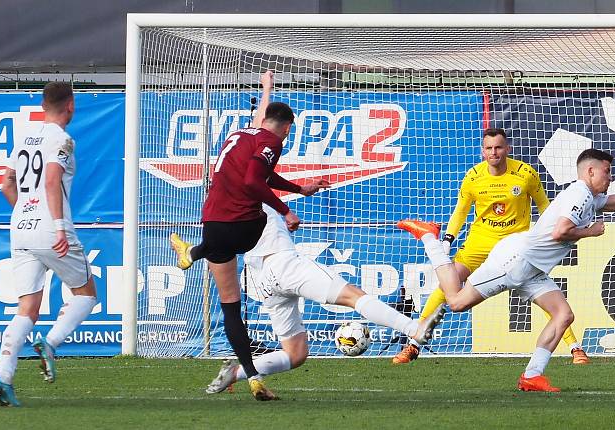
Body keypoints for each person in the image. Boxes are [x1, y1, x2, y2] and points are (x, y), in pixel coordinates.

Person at [399, 137, 615, 391]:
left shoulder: (590, 198)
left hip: (533, 268)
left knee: (563, 315)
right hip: (515, 262)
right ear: (590, 172)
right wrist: (589, 232)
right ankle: (428, 237)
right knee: (456, 302)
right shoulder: (579, 194)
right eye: (607, 171)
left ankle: (532, 375)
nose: (610, 177)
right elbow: (561, 231)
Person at [170, 71, 329, 401]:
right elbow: (255, 182)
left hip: (212, 223)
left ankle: (253, 377)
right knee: (261, 215)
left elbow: (263, 159)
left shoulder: (242, 134)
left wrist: (300, 188)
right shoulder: (271, 141)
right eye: (289, 131)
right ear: (287, 128)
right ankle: (196, 253)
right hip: (241, 229)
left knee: (230, 309)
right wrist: (286, 211)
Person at [393, 128, 589, 366]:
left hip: (517, 247)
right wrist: (448, 239)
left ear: (507, 149)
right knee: (447, 285)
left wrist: (552, 238)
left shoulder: (526, 174)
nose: (494, 152)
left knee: (543, 292)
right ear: (483, 151)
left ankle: (575, 347)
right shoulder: (473, 177)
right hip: (480, 243)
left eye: (498, 147)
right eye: (489, 148)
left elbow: (545, 208)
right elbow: (460, 211)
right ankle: (414, 344)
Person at [204, 205, 445, 395]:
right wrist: (292, 201)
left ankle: (235, 373)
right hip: (285, 264)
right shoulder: (251, 191)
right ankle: (415, 328)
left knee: (295, 354)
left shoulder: (226, 215)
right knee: (354, 296)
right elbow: (260, 174)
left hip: (265, 280)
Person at [0, 82, 98, 406]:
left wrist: (26, 213)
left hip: (20, 228)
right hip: (51, 227)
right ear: (71, 105)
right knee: (87, 294)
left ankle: (3, 377)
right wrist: (59, 227)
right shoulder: (62, 139)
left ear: (42, 104)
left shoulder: (24, 135)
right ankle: (50, 343)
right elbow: (51, 180)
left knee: (27, 308)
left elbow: (6, 183)